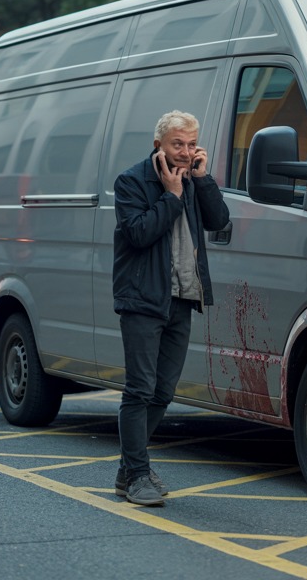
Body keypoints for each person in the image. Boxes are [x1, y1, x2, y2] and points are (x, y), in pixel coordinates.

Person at [111, 110, 231, 506]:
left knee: (163, 391)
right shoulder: (132, 181)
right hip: (144, 299)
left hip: (182, 297)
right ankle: (139, 476)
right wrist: (171, 195)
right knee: (140, 390)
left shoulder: (193, 181)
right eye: (177, 144)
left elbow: (219, 221)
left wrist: (201, 179)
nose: (185, 151)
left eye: (191, 143)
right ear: (158, 145)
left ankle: (129, 470)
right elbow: (140, 233)